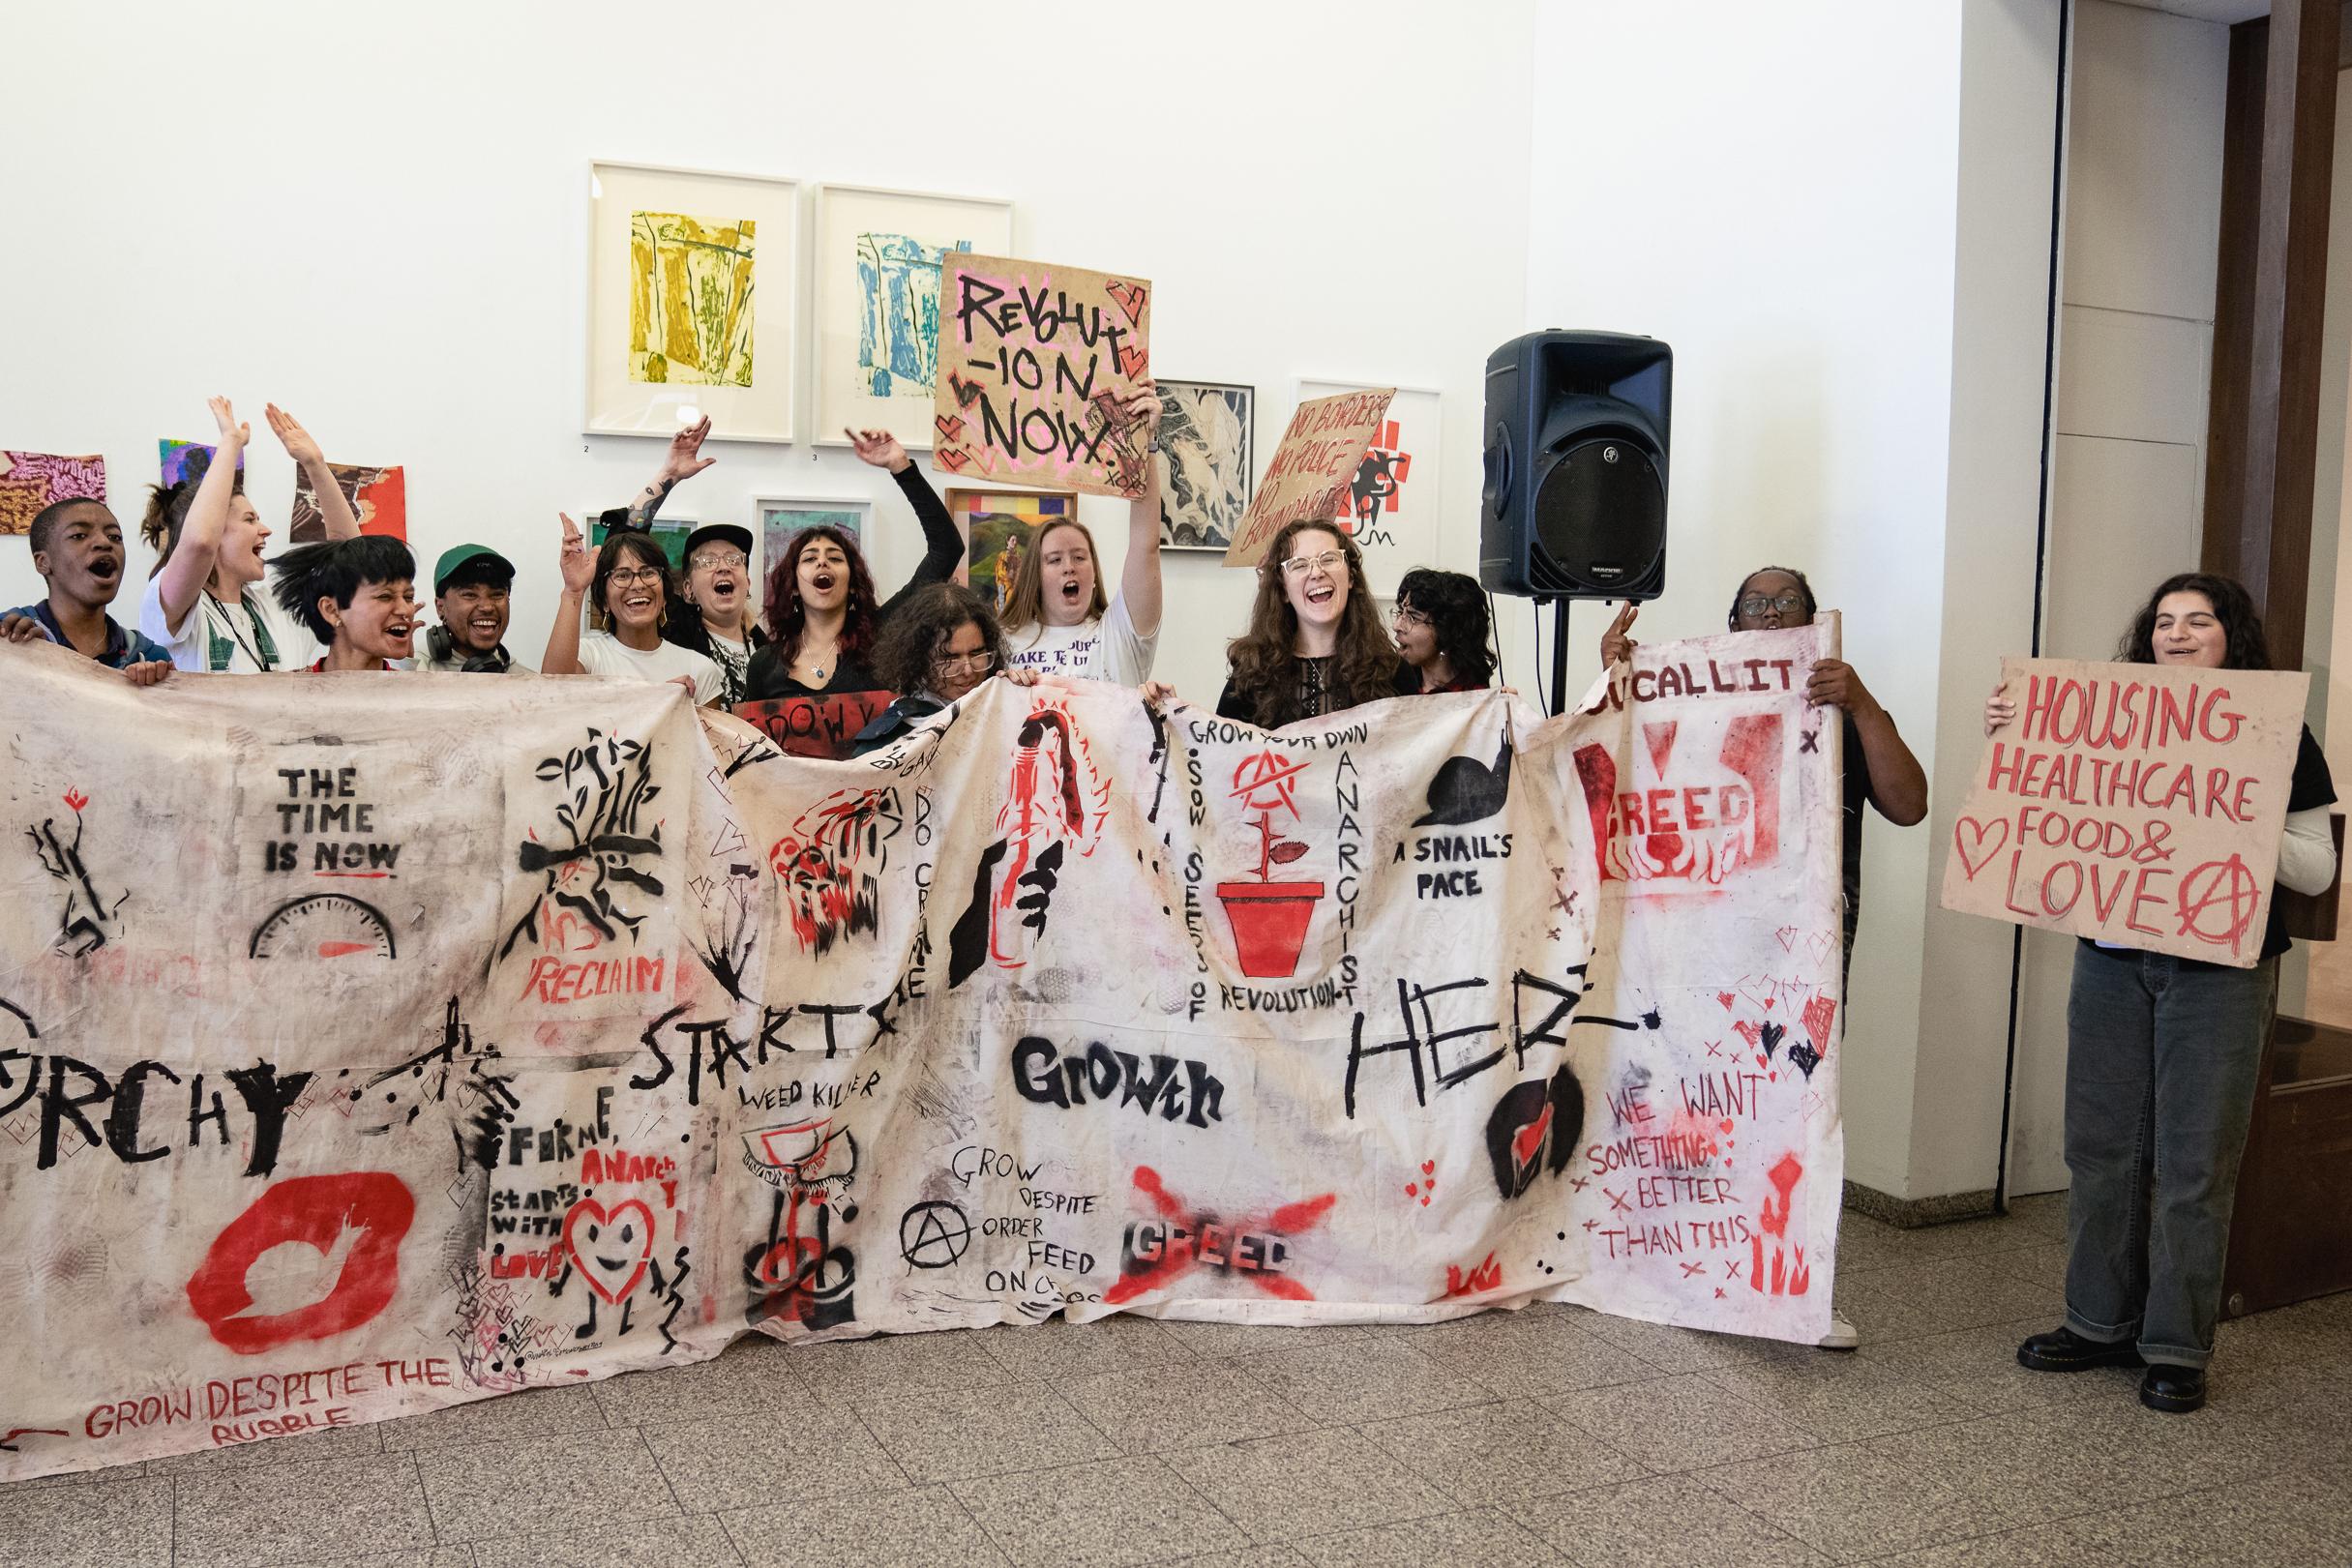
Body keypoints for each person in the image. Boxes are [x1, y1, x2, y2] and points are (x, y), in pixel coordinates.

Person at [1993, 574, 2336, 1414]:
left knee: (2193, 1161)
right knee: (2098, 1148)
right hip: (2111, 959)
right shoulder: (2104, 717)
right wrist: (2018, 739)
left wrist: (2236, 812)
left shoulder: (2273, 730)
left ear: (2231, 638)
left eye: (2199, 621)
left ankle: (2176, 1346)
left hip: (2218, 969)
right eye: (2164, 622)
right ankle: (2095, 1321)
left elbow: (2318, 867)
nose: (2177, 634)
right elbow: (2042, 807)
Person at [1604, 566, 1926, 1356]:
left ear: (1812, 622)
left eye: (1788, 604)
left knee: (1792, 1104)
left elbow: (1909, 802)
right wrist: (1615, 682)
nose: (1772, 612)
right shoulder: (1687, 699)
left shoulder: (1832, 701)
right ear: (1732, 624)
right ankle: (1691, 1267)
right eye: (1756, 604)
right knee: (1694, 1093)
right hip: (1693, 944)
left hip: (1796, 949)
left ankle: (1798, 1287)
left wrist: (1860, 702)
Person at [740, 424, 968, 702]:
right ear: (794, 585)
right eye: (810, 558)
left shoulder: (884, 635)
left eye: (835, 558)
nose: (822, 562)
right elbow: (751, 742)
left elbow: (947, 549)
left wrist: (901, 468)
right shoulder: (764, 664)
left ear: (852, 582)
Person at [140, 399, 362, 672]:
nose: (265, 529)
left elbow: (351, 560)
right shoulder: (177, 609)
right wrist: (230, 444)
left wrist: (315, 465)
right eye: (250, 519)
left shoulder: (277, 604)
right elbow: (199, 543)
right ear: (216, 531)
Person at [1140, 518, 1397, 725]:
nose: (1317, 572)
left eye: (1329, 559)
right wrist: (1170, 716)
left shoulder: (1393, 672)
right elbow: (1218, 762)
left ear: (1351, 577)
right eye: (1299, 565)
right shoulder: (1253, 676)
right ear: (1283, 590)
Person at [997, 382, 1166, 686]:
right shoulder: (1004, 640)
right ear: (1035, 574)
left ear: (1095, 573)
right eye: (1053, 560)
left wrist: (1147, 440)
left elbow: (1146, 544)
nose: (1068, 567)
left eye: (1079, 557)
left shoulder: (1120, 632)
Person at [541, 514, 721, 703]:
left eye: (648, 572)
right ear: (604, 601)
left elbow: (707, 733)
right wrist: (574, 591)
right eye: (622, 575)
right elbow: (549, 696)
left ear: (665, 595)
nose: (637, 585)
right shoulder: (587, 655)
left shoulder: (699, 668)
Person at [849, 584, 1041, 756]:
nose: (968, 671)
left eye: (977, 653)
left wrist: (1028, 698)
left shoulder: (1006, 704)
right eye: (949, 658)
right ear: (918, 661)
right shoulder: (884, 745)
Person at [1, 497, 173, 685]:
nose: (104, 543)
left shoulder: (150, 658)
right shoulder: (11, 633)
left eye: (115, 537)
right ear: (43, 562)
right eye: (79, 535)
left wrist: (154, 690)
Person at [271, 536, 419, 672]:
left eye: (408, 597)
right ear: (332, 610)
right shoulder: (289, 694)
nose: (406, 610)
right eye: (385, 596)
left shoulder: (418, 696)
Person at [415, 545, 532, 673]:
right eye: (469, 595)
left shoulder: (527, 680)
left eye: (497, 594)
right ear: (440, 607)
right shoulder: (409, 671)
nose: (487, 607)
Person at [1389, 567, 1496, 695]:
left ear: (1448, 630)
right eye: (1400, 613)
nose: (1396, 626)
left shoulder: (1476, 698)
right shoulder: (1390, 686)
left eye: (1413, 618)